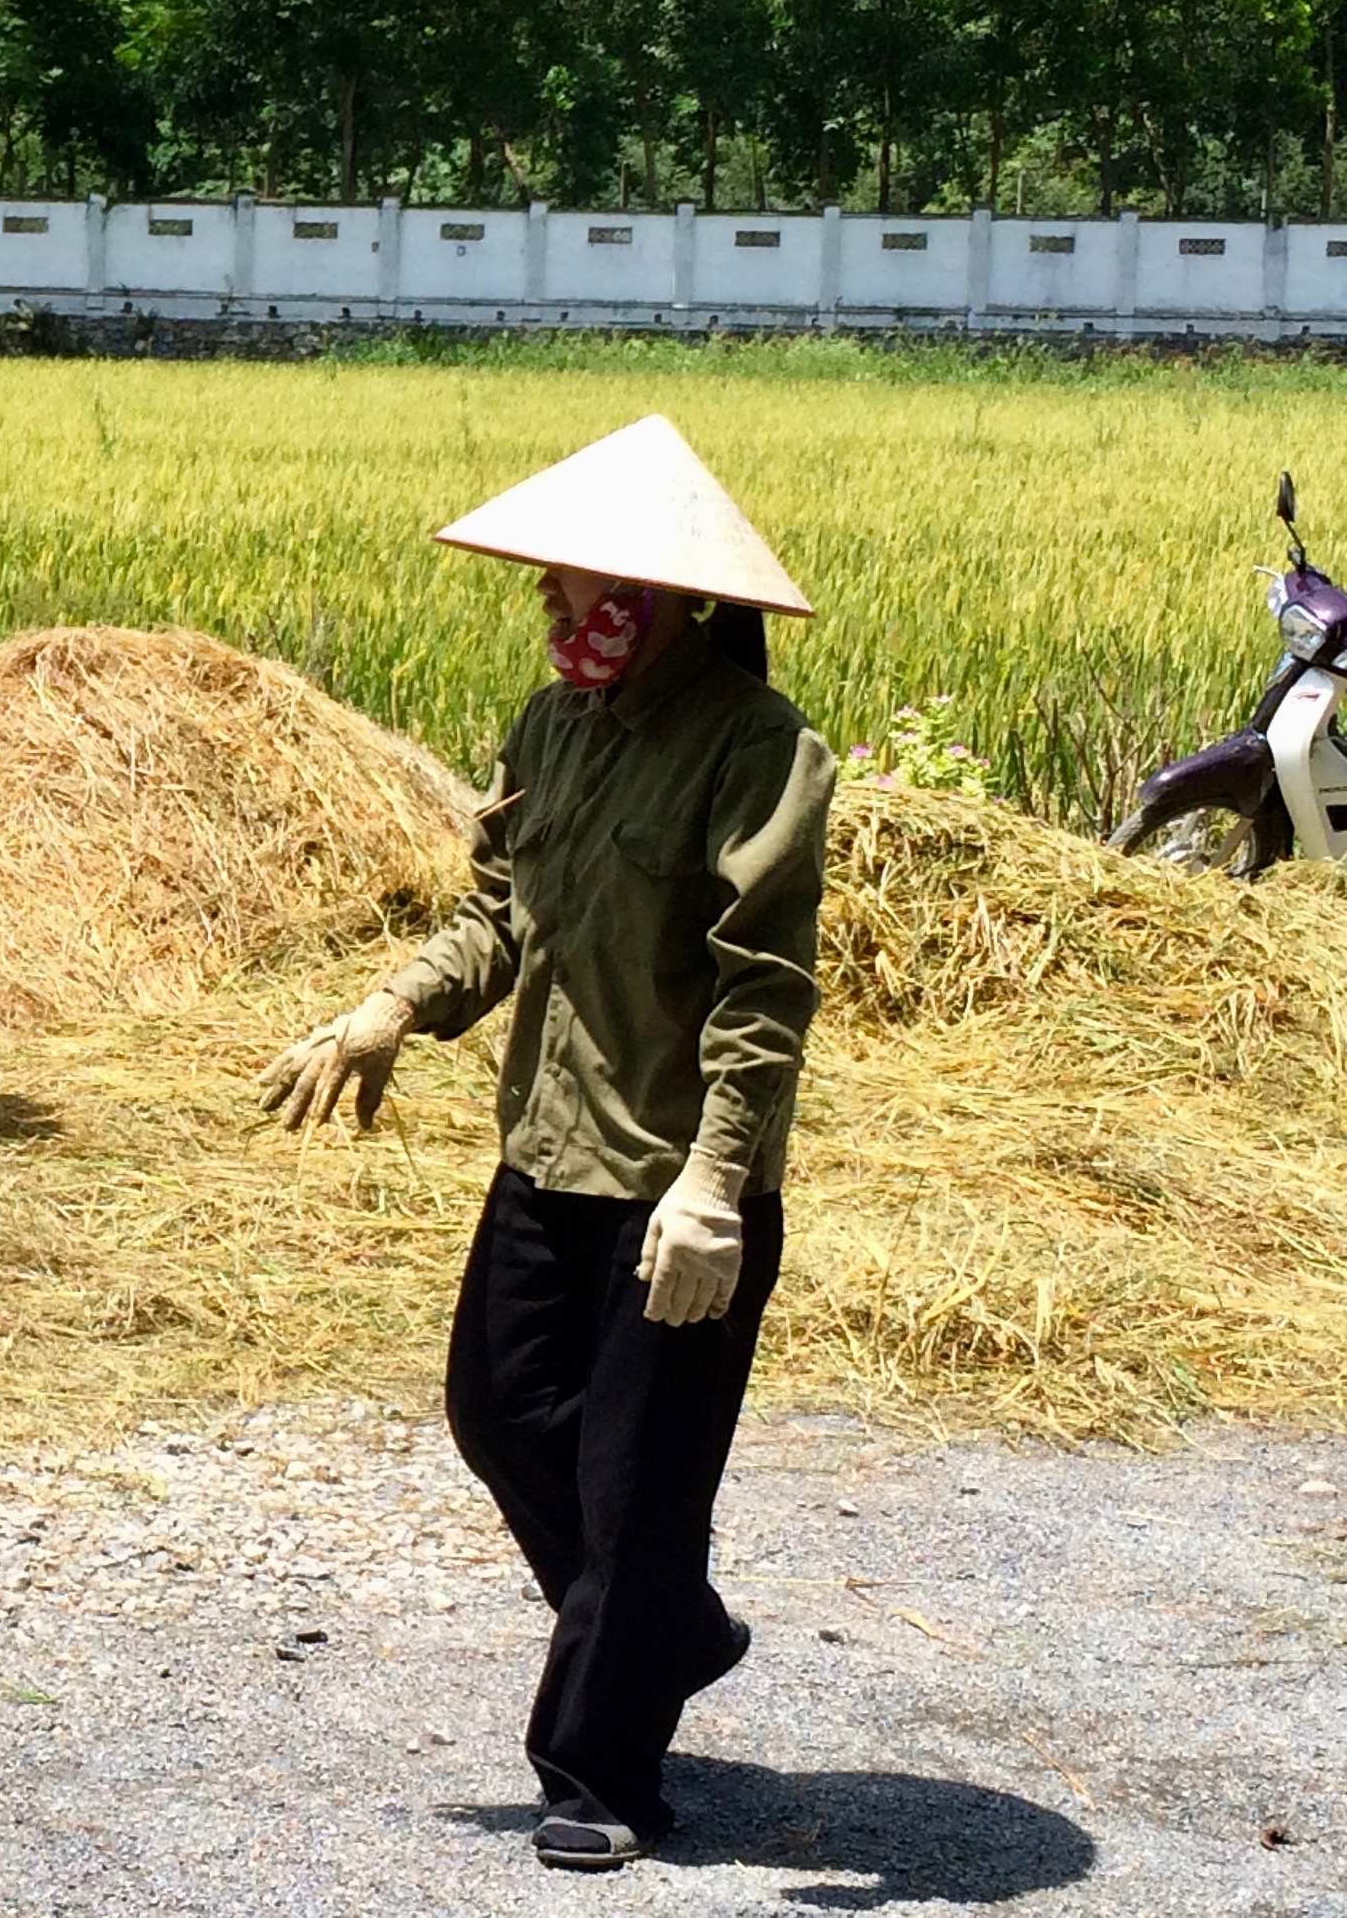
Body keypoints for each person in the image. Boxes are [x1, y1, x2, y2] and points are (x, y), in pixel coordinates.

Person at [258, 413, 836, 1874]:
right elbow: (500, 918)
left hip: (673, 1183)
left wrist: (717, 1186)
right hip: (548, 1150)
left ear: (652, 593)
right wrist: (392, 1007)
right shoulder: (551, 727)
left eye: (569, 575)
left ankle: (602, 1769)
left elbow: (764, 992)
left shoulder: (757, 750)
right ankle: (668, 1628)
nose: (545, 596)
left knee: (640, 1486)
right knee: (499, 1413)